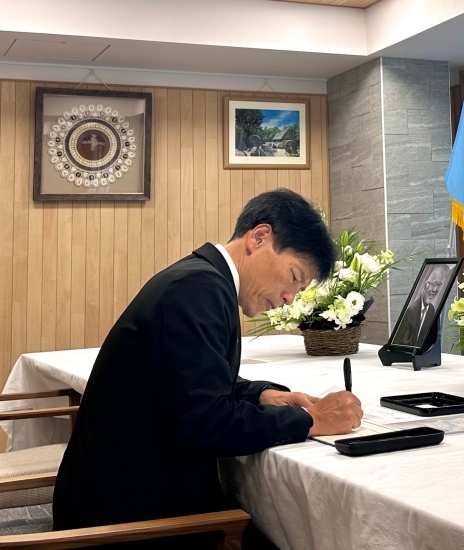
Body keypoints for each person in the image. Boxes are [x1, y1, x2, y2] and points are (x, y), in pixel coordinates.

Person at [53, 189, 362, 547]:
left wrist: (263, 394)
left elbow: (192, 380)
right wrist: (312, 421)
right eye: (294, 276)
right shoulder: (199, 288)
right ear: (259, 238)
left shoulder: (200, 278)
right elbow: (209, 424)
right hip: (126, 521)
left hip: (122, 497)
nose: (289, 298)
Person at [393, 273, 444, 347]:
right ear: (424, 287)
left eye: (438, 285)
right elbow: (396, 342)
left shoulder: (431, 310)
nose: (435, 289)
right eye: (433, 284)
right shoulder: (411, 311)